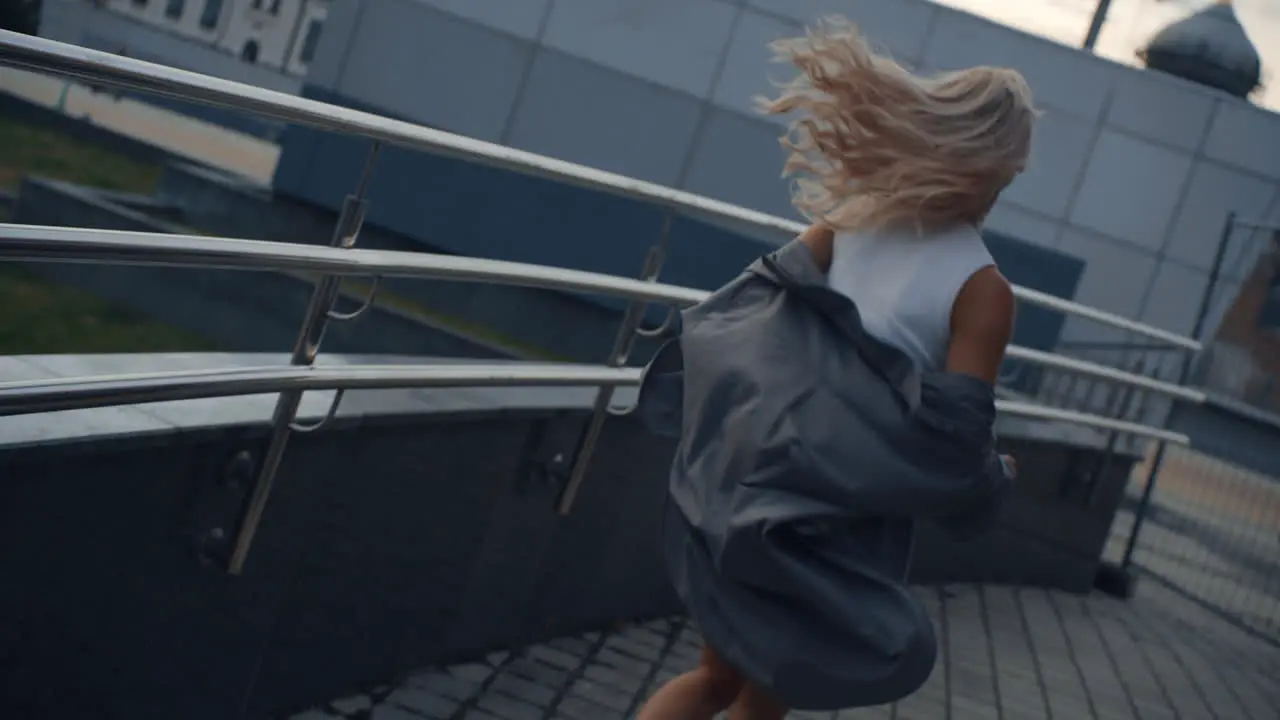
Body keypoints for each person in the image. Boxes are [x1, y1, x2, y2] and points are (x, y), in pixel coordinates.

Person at [636, 17, 1036, 720]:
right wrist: (993, 484)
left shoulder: (850, 222)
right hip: (843, 513)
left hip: (758, 479)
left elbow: (759, 306)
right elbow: (954, 438)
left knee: (717, 679)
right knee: (766, 694)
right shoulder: (985, 290)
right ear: (1003, 168)